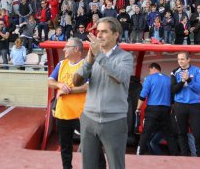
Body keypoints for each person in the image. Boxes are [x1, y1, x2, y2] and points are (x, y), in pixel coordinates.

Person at [73, 17, 134, 169]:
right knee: (89, 165)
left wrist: (99, 56)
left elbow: (120, 76)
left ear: (116, 34)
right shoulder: (92, 57)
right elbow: (76, 81)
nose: (99, 35)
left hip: (114, 120)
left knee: (116, 165)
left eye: (104, 32)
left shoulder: (125, 57)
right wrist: (89, 59)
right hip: (89, 119)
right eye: (98, 31)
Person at [47, 38, 88, 169]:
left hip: (81, 114)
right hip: (63, 113)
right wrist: (59, 84)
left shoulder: (86, 65)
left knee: (91, 145)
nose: (64, 49)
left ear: (76, 49)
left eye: (67, 47)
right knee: (65, 147)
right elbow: (50, 81)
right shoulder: (61, 64)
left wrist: (68, 91)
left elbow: (88, 86)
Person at [136, 63, 177, 155]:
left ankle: (139, 154)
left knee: (145, 133)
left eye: (149, 70)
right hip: (166, 110)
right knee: (169, 135)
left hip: (152, 110)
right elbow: (173, 96)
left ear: (153, 68)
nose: (149, 72)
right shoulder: (168, 79)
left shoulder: (149, 78)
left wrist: (138, 108)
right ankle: (175, 155)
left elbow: (143, 95)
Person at [171, 52, 200, 157]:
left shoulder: (197, 71)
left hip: (194, 105)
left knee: (198, 133)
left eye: (182, 59)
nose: (180, 61)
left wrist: (189, 80)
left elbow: (199, 89)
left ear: (189, 59)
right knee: (181, 132)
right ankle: (184, 156)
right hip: (180, 105)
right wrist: (182, 81)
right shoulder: (174, 72)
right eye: (179, 59)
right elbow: (173, 90)